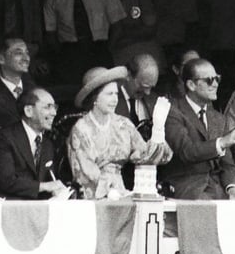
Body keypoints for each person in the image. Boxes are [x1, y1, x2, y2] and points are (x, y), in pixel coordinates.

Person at [68, 66, 172, 199]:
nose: (115, 99)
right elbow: (83, 173)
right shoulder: (81, 128)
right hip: (92, 197)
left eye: (116, 94)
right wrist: (108, 190)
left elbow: (146, 157)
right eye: (109, 94)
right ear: (95, 98)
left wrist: (158, 130)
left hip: (120, 193)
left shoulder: (123, 124)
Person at [160, 59, 235, 200]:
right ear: (191, 85)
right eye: (209, 80)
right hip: (187, 187)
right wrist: (221, 143)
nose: (215, 84)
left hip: (218, 188)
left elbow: (228, 164)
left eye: (217, 78)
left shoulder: (218, 118)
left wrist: (233, 188)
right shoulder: (173, 111)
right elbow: (187, 151)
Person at [43, 0, 127, 83]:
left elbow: (118, 25)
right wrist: (63, 55)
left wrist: (107, 49)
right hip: (70, 53)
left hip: (99, 49)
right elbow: (50, 33)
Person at [0, 88, 72, 200]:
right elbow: (6, 181)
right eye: (47, 107)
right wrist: (43, 186)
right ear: (28, 111)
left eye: (55, 107)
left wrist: (57, 191)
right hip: (12, 209)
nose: (54, 113)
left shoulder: (47, 145)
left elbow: (50, 182)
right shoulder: (5, 137)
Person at [0, 37, 37, 130]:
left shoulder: (34, 89)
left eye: (27, 53)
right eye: (19, 53)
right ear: (1, 59)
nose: (26, 58)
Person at [116, 53, 161, 126]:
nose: (148, 93)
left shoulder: (154, 99)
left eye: (151, 87)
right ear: (128, 75)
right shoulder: (111, 102)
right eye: (144, 86)